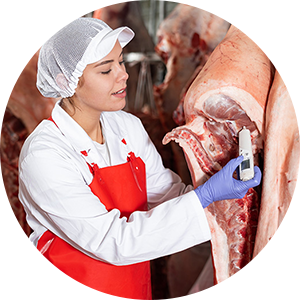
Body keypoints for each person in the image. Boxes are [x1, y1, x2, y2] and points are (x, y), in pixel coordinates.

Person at [17, 17, 261, 300]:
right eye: (106, 70)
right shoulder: (45, 153)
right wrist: (204, 198)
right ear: (65, 81)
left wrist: (225, 198)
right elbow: (112, 241)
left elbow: (164, 195)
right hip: (64, 292)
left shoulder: (127, 126)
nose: (123, 75)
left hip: (130, 289)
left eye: (120, 62)